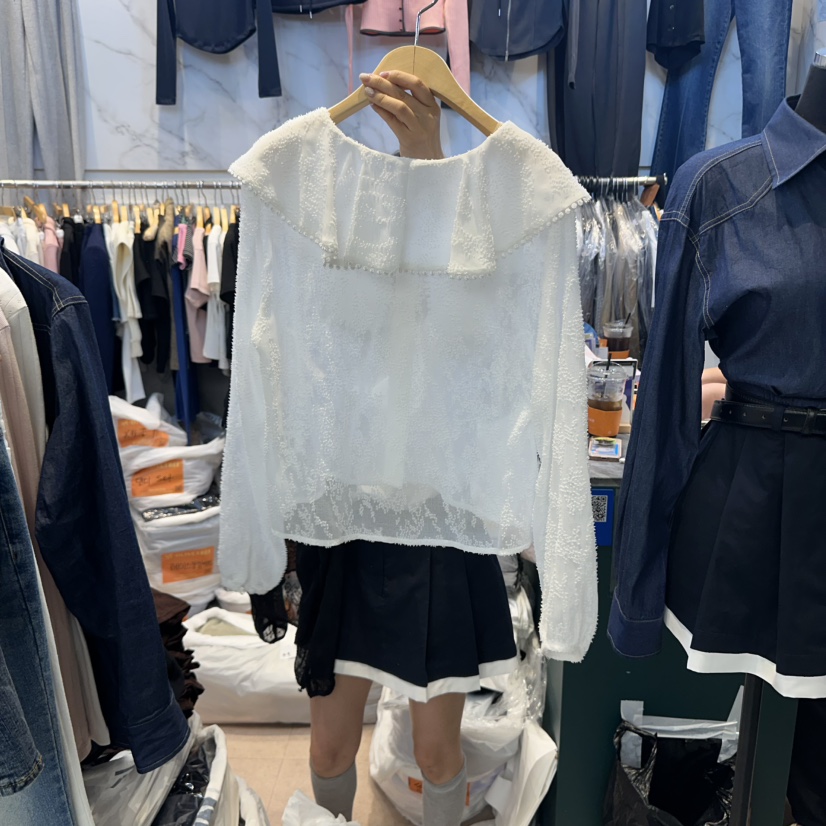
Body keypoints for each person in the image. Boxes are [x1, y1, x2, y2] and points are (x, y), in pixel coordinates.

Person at [301, 71, 518, 826]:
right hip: (347, 519)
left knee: (438, 753)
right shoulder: (327, 236)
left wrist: (430, 160)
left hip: (437, 520)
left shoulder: (466, 242)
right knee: (330, 746)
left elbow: (483, 347)